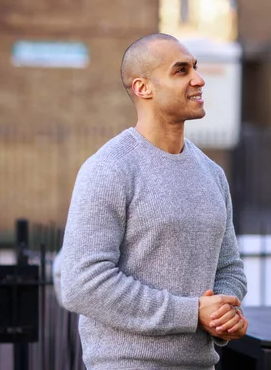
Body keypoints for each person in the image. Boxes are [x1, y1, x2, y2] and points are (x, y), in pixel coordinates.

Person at [59, 33, 248, 369]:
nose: (198, 79)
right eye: (181, 70)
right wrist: (191, 313)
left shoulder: (212, 174)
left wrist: (223, 315)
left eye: (195, 67)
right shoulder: (109, 169)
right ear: (143, 88)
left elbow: (229, 269)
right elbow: (82, 283)